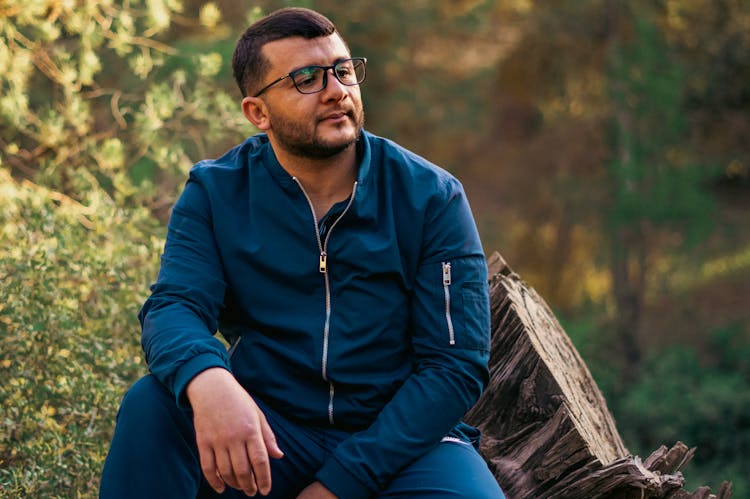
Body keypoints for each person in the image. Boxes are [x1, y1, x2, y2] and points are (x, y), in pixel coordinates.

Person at [99, 7, 504, 499]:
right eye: (306, 79)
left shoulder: (431, 197)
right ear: (258, 112)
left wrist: (339, 484)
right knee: (153, 405)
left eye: (343, 70)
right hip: (271, 432)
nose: (337, 90)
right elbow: (173, 306)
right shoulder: (216, 191)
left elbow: (454, 367)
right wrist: (208, 380)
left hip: (402, 444)